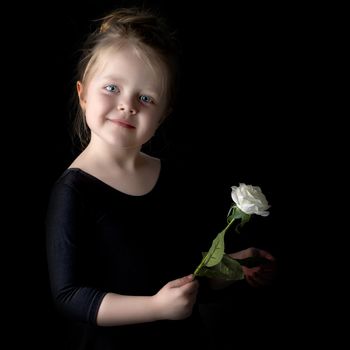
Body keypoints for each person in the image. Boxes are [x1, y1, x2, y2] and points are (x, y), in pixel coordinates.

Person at [46, 7, 276, 349]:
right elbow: (69, 295)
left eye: (145, 98)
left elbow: (184, 275)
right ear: (82, 93)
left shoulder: (169, 177)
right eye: (111, 87)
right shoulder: (75, 191)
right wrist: (154, 307)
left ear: (162, 115)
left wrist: (232, 268)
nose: (127, 106)